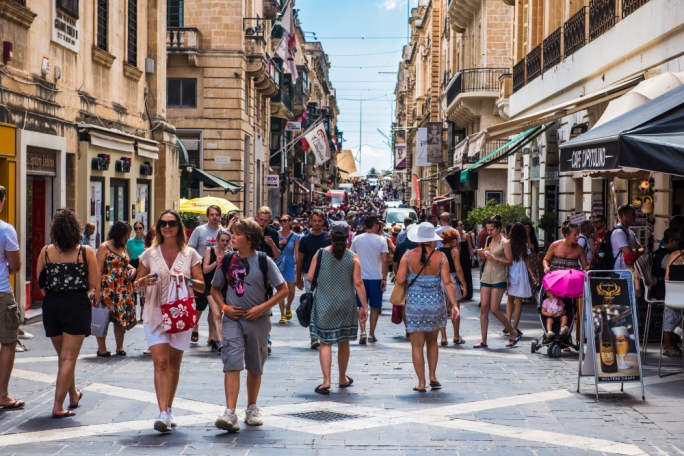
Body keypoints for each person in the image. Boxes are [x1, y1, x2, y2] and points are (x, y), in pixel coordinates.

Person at [211, 218, 288, 432]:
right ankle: (230, 411)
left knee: (255, 364)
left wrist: (261, 308)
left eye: (237, 234)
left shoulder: (264, 261)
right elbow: (215, 289)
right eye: (232, 233)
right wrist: (225, 308)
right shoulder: (227, 260)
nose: (232, 237)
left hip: (258, 321)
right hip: (233, 320)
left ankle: (252, 407)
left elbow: (283, 290)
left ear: (250, 239)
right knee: (232, 362)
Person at [135, 210, 205, 432]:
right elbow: (137, 283)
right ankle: (162, 412)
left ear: (179, 226)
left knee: (174, 364)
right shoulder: (149, 254)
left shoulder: (190, 254)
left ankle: (170, 407)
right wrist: (143, 282)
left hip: (180, 314)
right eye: (163, 223)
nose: (167, 227)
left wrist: (187, 278)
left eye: (172, 223)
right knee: (161, 363)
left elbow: (202, 286)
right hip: (155, 313)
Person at [36, 208, 100, 418]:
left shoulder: (45, 251)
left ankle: (73, 396)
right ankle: (57, 405)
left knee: (63, 357)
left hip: (52, 304)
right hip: (76, 304)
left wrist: (54, 295)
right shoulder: (85, 252)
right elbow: (93, 285)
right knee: (69, 358)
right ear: (76, 229)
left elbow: (40, 284)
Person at [396, 222, 460, 392]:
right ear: (432, 239)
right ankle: (433, 376)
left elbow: (400, 280)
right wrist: (454, 305)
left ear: (418, 239)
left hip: (414, 304)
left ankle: (421, 382)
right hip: (436, 304)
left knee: (417, 345)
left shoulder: (408, 256)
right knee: (432, 342)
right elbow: (448, 282)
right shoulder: (441, 257)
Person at [308, 222, 369, 394]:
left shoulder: (320, 254)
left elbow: (311, 276)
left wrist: (325, 284)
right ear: (348, 237)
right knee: (344, 342)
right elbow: (358, 283)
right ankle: (342, 378)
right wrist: (364, 306)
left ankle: (326, 381)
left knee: (325, 342)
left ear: (331, 236)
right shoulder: (353, 257)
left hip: (323, 303)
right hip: (345, 303)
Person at [475, 216, 521, 348]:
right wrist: (481, 254)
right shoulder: (489, 239)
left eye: (492, 229)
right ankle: (483, 340)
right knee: (484, 307)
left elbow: (510, 261)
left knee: (494, 309)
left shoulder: (505, 242)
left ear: (498, 229)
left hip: (499, 276)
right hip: (487, 275)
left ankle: (513, 332)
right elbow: (485, 257)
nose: (489, 232)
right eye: (487, 229)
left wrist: (495, 260)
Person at [95, 221, 137, 357]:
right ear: (120, 234)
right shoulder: (104, 247)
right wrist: (98, 290)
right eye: (126, 234)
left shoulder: (124, 248)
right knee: (103, 317)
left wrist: (133, 269)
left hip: (123, 288)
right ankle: (102, 349)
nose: (128, 237)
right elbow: (98, 269)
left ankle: (120, 347)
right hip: (107, 287)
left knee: (120, 317)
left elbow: (125, 264)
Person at [0, 186, 24, 411]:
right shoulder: (6, 230)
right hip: (1, 292)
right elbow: (15, 266)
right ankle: (2, 394)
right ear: (2, 202)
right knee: (7, 341)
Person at [350, 215, 388, 344]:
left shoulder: (357, 239)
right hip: (376, 277)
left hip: (360, 277)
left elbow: (351, 256)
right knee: (375, 307)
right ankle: (371, 334)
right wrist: (384, 278)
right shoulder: (382, 240)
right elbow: (385, 260)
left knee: (361, 305)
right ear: (375, 225)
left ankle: (363, 332)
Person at [296, 210, 331, 349]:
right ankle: (313, 336)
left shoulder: (328, 238)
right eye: (314, 221)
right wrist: (298, 277)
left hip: (327, 275)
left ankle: (321, 332)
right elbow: (300, 259)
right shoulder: (305, 239)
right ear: (310, 221)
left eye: (319, 221)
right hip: (309, 276)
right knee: (311, 303)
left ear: (323, 222)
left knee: (324, 305)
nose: (316, 223)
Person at [188, 205, 222, 346]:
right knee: (200, 304)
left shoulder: (224, 232)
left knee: (214, 306)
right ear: (207, 216)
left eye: (216, 214)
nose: (214, 217)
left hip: (218, 272)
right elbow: (190, 248)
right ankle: (195, 327)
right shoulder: (200, 230)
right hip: (201, 271)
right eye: (212, 214)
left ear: (220, 216)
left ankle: (212, 336)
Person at [506, 223, 538, 335]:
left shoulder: (507, 243)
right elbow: (528, 262)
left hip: (510, 270)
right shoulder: (524, 245)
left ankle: (508, 324)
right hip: (521, 272)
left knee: (510, 299)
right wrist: (533, 274)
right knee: (518, 301)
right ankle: (515, 327)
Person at [203, 229, 231, 354]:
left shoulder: (230, 253)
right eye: (222, 240)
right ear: (217, 240)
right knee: (217, 314)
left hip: (223, 287)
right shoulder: (210, 250)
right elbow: (205, 270)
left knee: (219, 313)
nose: (224, 243)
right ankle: (220, 341)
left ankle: (215, 339)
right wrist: (216, 262)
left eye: (226, 241)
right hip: (210, 286)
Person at [439, 229, 467, 345]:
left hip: (439, 280)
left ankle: (443, 337)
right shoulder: (454, 252)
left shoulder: (437, 251)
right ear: (451, 240)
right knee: (455, 309)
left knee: (441, 310)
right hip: (452, 280)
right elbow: (458, 269)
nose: (457, 240)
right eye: (456, 238)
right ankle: (456, 336)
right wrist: (464, 285)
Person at [662, 232, 684, 357]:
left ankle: (668, 346)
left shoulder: (672, 255)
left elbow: (666, 278)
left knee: (670, 313)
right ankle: (681, 325)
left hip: (672, 299)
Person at [276, 215, 300, 324]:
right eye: (281, 221)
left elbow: (297, 253)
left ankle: (288, 305)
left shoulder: (295, 236)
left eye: (285, 220)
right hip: (279, 263)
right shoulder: (276, 235)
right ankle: (282, 315)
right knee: (281, 289)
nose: (282, 222)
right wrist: (279, 243)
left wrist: (298, 268)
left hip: (290, 264)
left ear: (290, 222)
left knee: (291, 291)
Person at [611, 205, 641, 270]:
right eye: (633, 214)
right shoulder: (618, 232)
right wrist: (636, 251)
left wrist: (634, 251)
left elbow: (642, 249)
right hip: (620, 273)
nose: (635, 216)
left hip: (631, 271)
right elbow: (629, 254)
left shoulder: (630, 231)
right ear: (625, 216)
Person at [456, 220, 475, 301]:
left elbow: (470, 248)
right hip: (457, 257)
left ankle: (468, 293)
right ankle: (459, 293)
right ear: (456, 227)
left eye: (462, 224)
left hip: (465, 258)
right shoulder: (454, 235)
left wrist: (473, 258)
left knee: (467, 275)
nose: (462, 225)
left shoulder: (466, 236)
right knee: (458, 275)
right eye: (461, 224)